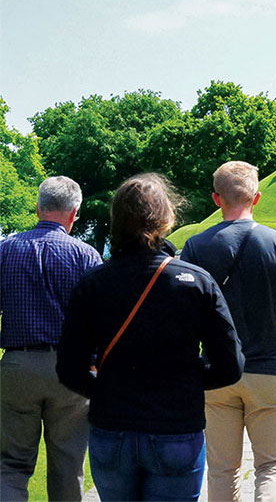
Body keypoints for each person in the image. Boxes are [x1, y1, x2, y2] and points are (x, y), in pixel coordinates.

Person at [56, 173, 243, 502]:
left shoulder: (93, 284)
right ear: (166, 218)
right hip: (175, 425)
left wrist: (104, 388)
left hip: (113, 424)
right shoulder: (196, 282)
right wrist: (185, 380)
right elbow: (230, 365)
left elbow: (69, 367)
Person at [180, 161, 276, 502]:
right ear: (257, 197)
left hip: (216, 373)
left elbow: (186, 316)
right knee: (273, 466)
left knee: (223, 470)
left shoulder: (196, 247)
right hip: (268, 370)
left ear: (215, 198)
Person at [0, 176, 102, 502]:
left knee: (11, 466)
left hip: (18, 363)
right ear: (74, 213)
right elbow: (100, 321)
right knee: (68, 464)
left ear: (38, 207)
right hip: (71, 369)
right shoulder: (86, 256)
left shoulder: (5, 250)